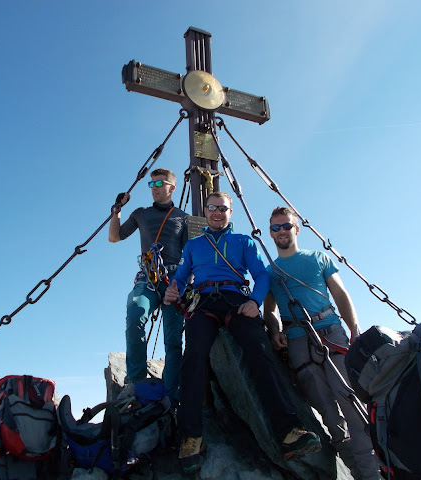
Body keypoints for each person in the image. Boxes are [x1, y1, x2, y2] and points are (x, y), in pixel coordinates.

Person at [164, 192, 321, 473]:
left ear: (230, 212)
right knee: (194, 357)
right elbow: (181, 275)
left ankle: (289, 431)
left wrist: (254, 301)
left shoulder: (244, 241)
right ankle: (191, 437)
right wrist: (174, 288)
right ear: (206, 211)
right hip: (203, 301)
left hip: (236, 298)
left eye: (222, 208)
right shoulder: (193, 246)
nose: (216, 212)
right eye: (211, 208)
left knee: (259, 351)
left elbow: (261, 275)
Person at [263, 206, 381, 480]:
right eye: (275, 227)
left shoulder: (318, 258)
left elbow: (340, 293)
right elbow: (269, 310)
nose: (281, 231)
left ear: (296, 228)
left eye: (286, 226)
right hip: (296, 340)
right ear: (270, 232)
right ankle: (358, 472)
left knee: (351, 403)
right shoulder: (270, 272)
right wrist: (274, 329)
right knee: (328, 413)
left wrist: (354, 330)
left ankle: (372, 473)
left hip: (330, 331)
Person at [109, 168, 188, 407]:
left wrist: (182, 285)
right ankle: (136, 382)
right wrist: (116, 211)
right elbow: (115, 237)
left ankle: (172, 393)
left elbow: (190, 256)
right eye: (151, 184)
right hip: (148, 277)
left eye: (158, 184)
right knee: (136, 315)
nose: (153, 188)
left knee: (173, 339)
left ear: (171, 188)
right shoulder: (141, 214)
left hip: (174, 279)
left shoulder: (183, 218)